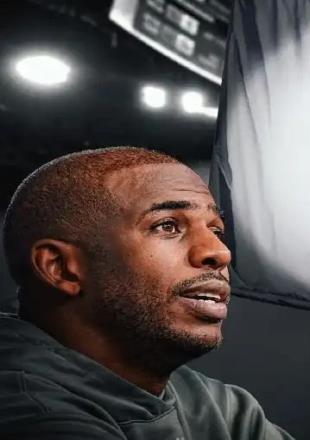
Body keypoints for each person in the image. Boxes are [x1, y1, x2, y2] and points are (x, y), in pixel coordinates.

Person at [0, 147, 294, 440]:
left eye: (216, 231)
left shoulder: (222, 408)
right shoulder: (28, 409)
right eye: (167, 226)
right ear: (61, 268)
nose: (220, 252)